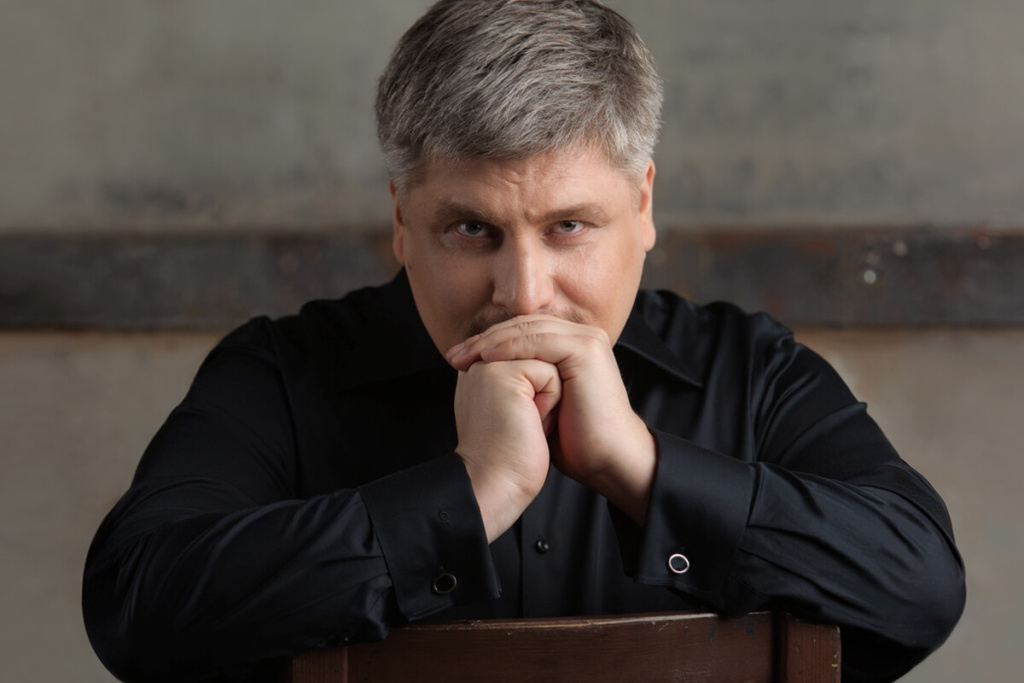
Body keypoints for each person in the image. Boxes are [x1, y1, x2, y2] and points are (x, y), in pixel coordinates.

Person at [83, 1, 965, 681]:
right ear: (401, 220)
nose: (524, 294)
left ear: (643, 205)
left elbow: (921, 586)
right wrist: (471, 493)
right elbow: (134, 609)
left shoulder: (751, 371)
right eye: (472, 229)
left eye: (570, 225)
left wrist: (642, 468)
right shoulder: (282, 374)